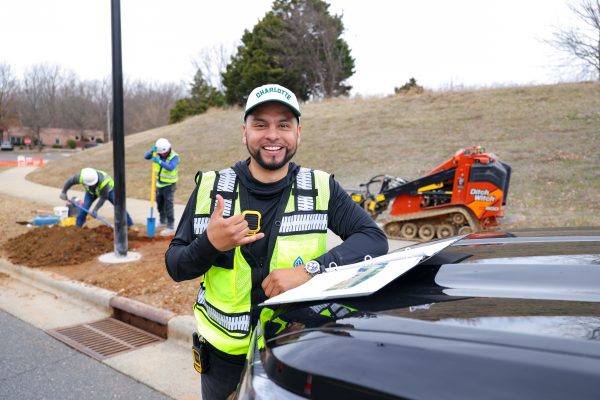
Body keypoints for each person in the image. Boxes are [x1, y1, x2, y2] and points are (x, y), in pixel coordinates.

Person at [165, 83, 388, 399]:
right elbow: (175, 266)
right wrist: (210, 244)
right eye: (260, 125)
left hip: (294, 348)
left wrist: (311, 270)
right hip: (222, 356)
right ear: (245, 133)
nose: (272, 135)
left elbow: (373, 240)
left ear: (298, 133)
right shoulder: (211, 189)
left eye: (283, 124)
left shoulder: (321, 187)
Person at [59, 167, 134, 228]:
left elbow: (103, 197)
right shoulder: (81, 177)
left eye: (93, 184)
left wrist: (95, 210)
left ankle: (129, 225)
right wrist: (64, 192)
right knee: (84, 209)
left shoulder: (105, 182)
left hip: (109, 191)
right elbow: (70, 182)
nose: (92, 185)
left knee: (119, 206)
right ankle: (78, 227)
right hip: (91, 193)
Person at [144, 138, 179, 236]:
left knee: (168, 206)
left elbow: (171, 167)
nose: (162, 154)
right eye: (161, 153)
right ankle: (163, 222)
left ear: (168, 149)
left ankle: (170, 226)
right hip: (159, 184)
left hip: (169, 185)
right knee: (160, 204)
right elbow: (146, 156)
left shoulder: (174, 156)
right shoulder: (157, 153)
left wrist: (159, 162)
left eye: (163, 152)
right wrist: (151, 151)